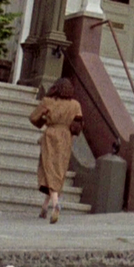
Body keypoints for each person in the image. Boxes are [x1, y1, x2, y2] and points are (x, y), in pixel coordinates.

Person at [30, 77, 83, 223]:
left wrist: (44, 121)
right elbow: (78, 124)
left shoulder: (48, 101)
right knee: (59, 170)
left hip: (51, 134)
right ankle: (44, 207)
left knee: (48, 168)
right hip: (66, 137)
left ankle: (55, 203)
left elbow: (34, 117)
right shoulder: (75, 105)